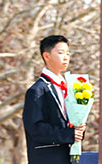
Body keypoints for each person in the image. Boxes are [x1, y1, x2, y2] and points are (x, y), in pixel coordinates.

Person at [24, 35, 86, 163]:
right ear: (46, 56)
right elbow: (35, 128)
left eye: (68, 53)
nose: (66, 57)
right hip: (47, 159)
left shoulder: (70, 87)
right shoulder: (36, 90)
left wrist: (78, 129)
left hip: (69, 157)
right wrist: (68, 134)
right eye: (61, 53)